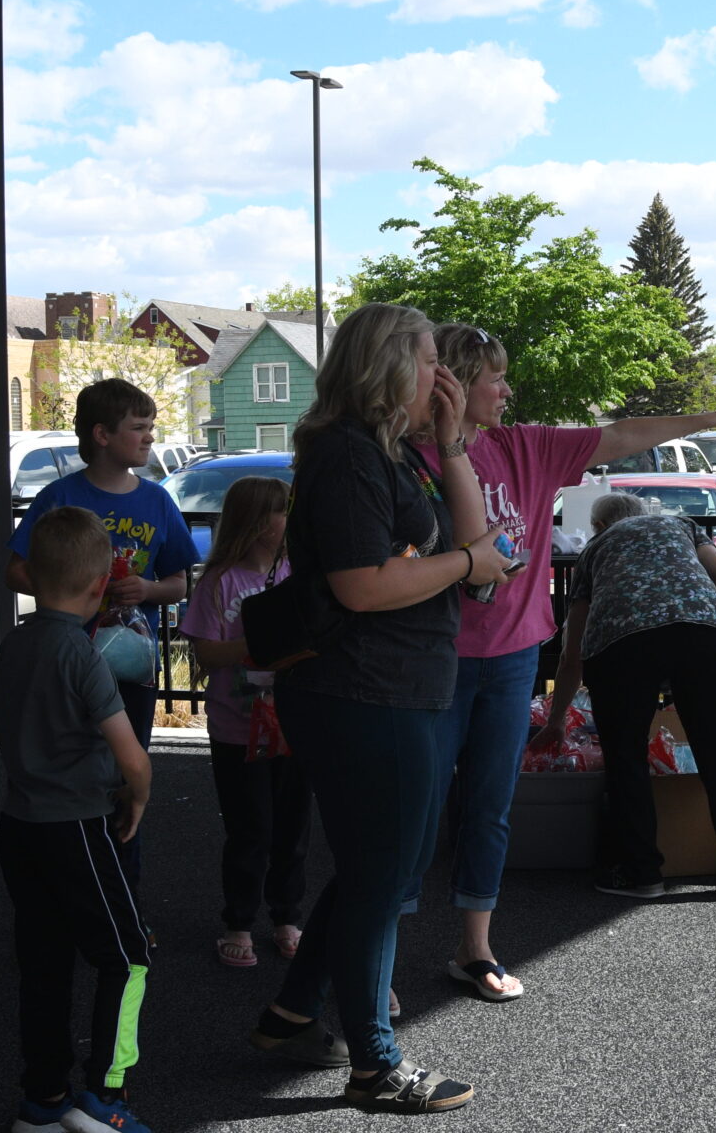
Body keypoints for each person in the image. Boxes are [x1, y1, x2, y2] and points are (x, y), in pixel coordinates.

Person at [408, 322, 716, 1000]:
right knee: (418, 811)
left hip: (512, 658)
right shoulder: (410, 455)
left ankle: (476, 950)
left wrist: (712, 418)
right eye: (495, 377)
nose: (507, 390)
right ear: (451, 381)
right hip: (436, 659)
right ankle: (379, 966)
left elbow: (625, 434)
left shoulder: (529, 446)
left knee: (491, 808)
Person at [245, 303, 509, 1115]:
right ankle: (375, 1066)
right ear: (389, 363)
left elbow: (478, 555)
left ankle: (293, 1015)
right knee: (380, 876)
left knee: (379, 865)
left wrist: (455, 441)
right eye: (430, 360)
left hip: (396, 690)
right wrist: (465, 560)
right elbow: (367, 585)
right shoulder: (345, 456)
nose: (443, 377)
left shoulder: (396, 453)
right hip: (361, 692)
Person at [0, 505, 156, 1133]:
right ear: (96, 589)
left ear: (31, 576)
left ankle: (43, 1099)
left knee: (45, 960)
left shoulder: (17, 643)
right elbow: (132, 756)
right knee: (129, 955)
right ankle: (105, 1096)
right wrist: (136, 798)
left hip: (19, 825)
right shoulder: (84, 656)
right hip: (78, 827)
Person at [6, 378, 199, 898]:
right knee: (65, 767)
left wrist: (147, 588)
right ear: (102, 434)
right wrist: (76, 588)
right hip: (65, 657)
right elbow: (16, 571)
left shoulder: (157, 501)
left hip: (129, 661)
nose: (150, 439)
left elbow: (180, 581)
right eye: (138, 429)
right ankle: (64, 886)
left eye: (151, 428)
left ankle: (121, 896)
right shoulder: (60, 496)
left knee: (123, 771)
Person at [537, 492, 716, 898]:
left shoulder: (595, 550)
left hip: (623, 643)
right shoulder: (680, 526)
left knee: (627, 756)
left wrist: (556, 722)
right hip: (705, 633)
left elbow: (572, 653)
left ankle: (643, 874)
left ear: (599, 527)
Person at [177, 476, 312, 970]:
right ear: (257, 523)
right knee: (249, 829)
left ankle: (286, 916)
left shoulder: (299, 573)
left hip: (295, 727)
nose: (290, 522)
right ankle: (238, 921)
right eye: (283, 512)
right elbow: (208, 654)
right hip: (238, 730)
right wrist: (258, 646)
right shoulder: (219, 581)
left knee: (293, 830)